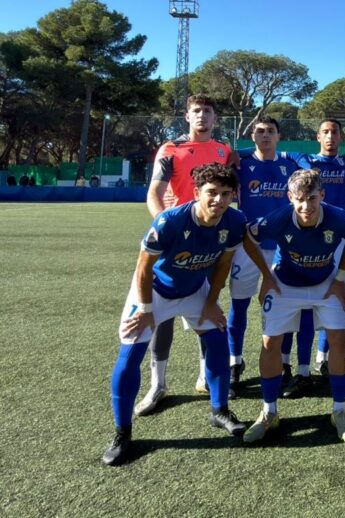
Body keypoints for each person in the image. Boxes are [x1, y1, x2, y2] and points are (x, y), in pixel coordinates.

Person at [101, 164, 247, 466]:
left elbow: (223, 265)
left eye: (225, 194)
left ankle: (219, 411)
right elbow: (143, 268)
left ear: (233, 195)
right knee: (130, 354)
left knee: (218, 338)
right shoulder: (169, 221)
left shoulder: (234, 221)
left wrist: (211, 301)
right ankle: (123, 432)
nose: (218, 200)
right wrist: (145, 310)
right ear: (196, 193)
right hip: (153, 291)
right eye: (211, 193)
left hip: (195, 290)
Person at [240, 169, 345, 443]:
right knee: (270, 343)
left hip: (324, 283)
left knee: (338, 341)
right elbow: (249, 237)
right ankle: (269, 412)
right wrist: (266, 277)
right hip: (285, 285)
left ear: (323, 196)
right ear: (290, 198)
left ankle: (339, 411)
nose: (306, 206)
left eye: (313, 199)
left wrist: (340, 277)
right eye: (300, 200)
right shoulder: (279, 219)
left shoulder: (338, 218)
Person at [135, 94, 234, 416]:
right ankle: (158, 384)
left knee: (206, 307)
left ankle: (206, 374)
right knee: (160, 314)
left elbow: (230, 190)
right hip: (173, 240)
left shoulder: (223, 151)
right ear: (187, 117)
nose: (202, 116)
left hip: (208, 243)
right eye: (196, 111)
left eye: (208, 111)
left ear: (215, 118)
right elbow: (154, 191)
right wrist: (163, 226)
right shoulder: (170, 149)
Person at [278, 118, 345, 393]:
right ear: (318, 136)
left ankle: (324, 360)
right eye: (325, 132)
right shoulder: (304, 159)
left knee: (333, 300)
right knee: (299, 305)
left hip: (338, 238)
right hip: (305, 236)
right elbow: (274, 151)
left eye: (335, 132)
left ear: (341, 136)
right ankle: (290, 366)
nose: (330, 136)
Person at [226, 116, 297, 398]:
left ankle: (284, 364)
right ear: (252, 136)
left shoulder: (290, 165)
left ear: (279, 136)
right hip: (247, 246)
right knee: (239, 305)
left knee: (285, 306)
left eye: (270, 131)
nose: (265, 135)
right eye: (260, 131)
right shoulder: (239, 163)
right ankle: (235, 362)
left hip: (283, 247)